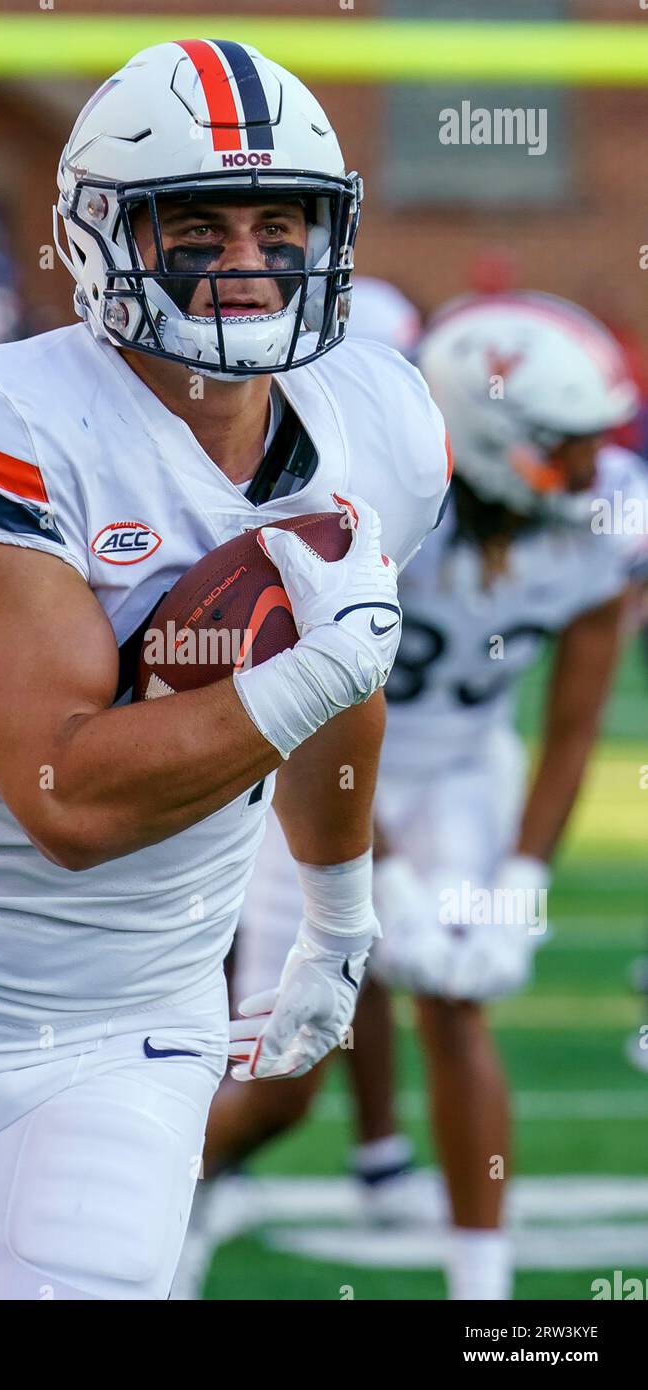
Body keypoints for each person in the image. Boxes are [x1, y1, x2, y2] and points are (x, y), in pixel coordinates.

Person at [0, 40, 449, 1301]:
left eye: (279, 223)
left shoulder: (380, 421)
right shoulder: (5, 416)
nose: (247, 262)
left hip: (132, 1024)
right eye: (198, 225)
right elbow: (67, 797)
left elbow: (348, 684)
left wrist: (337, 915)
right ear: (100, 234)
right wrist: (324, 663)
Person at [200, 291, 644, 1301]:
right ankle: (168, 1205)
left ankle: (481, 1294)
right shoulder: (386, 511)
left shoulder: (606, 522)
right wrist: (375, 880)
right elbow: (315, 705)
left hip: (459, 773)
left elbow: (573, 724)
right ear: (496, 442)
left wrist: (526, 874)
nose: (591, 466)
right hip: (314, 775)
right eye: (566, 445)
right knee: (278, 1073)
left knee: (458, 1001)